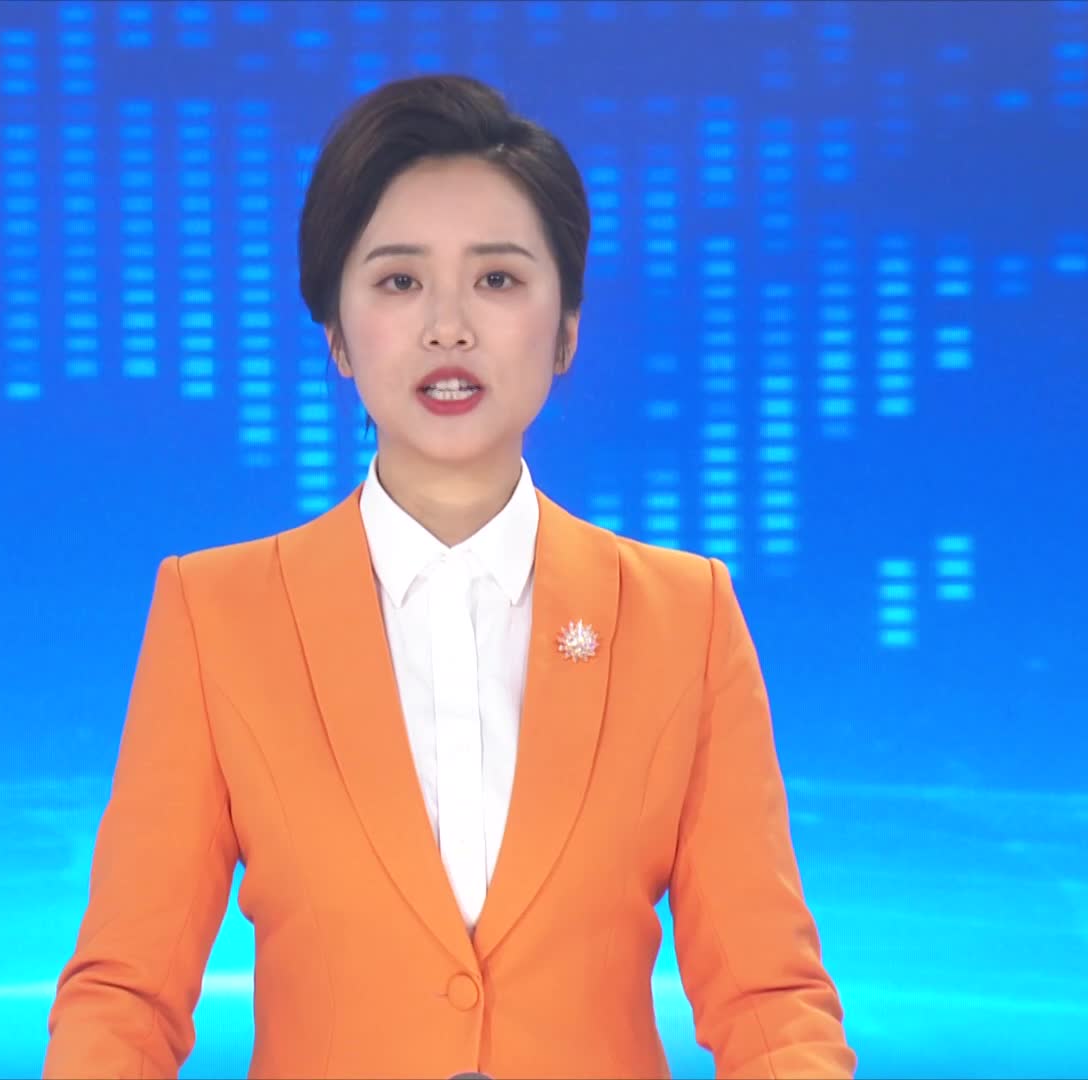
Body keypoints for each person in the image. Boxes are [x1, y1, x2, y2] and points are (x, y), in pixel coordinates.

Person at [43, 73, 854, 1080]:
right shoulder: (217, 616)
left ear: (567, 328)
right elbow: (126, 996)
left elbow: (768, 1000)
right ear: (336, 333)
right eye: (398, 282)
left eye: (498, 279)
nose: (448, 327)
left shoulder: (684, 618)